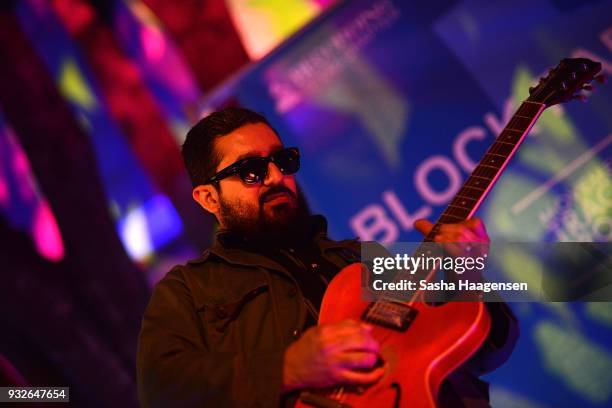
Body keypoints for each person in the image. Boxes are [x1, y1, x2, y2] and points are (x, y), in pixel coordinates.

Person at [136, 107, 518, 407]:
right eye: (250, 170)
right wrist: (286, 368)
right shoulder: (188, 289)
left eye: (282, 161)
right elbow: (163, 389)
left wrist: (465, 271)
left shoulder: (357, 259)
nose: (274, 176)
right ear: (208, 198)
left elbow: (488, 350)